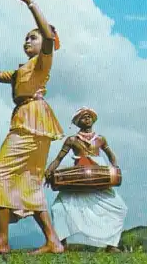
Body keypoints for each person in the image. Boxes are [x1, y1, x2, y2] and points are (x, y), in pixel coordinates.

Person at [0, 0, 64, 254]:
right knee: (29, 181)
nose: (27, 41)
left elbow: (47, 34)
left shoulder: (43, 61)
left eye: (32, 38)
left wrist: (30, 3)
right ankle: (53, 241)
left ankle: (1, 240)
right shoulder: (18, 71)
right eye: (25, 38)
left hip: (33, 119)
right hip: (29, 119)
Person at [45, 107, 128, 253]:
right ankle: (61, 244)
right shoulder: (72, 140)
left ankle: (112, 245)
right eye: (83, 117)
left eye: (89, 116)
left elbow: (111, 155)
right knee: (58, 208)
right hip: (79, 178)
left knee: (119, 208)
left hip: (98, 176)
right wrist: (49, 171)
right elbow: (58, 158)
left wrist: (114, 171)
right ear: (77, 122)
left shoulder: (100, 139)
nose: (87, 118)